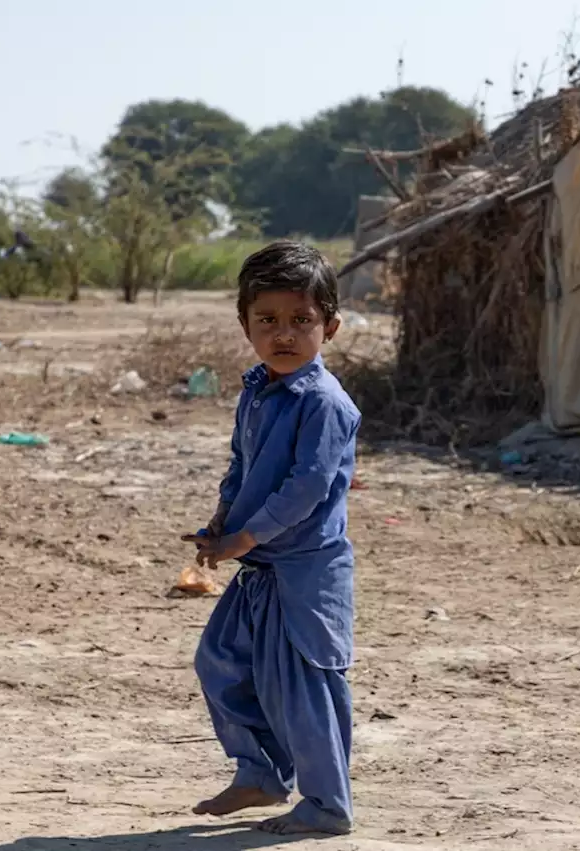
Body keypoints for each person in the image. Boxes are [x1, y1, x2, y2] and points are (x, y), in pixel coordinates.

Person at [182, 239, 360, 836]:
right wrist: (221, 522)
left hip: (304, 569)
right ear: (245, 325)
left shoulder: (325, 403)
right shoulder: (258, 390)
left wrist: (246, 538)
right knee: (220, 661)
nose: (284, 334)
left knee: (301, 686)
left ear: (329, 327)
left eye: (301, 321)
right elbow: (242, 463)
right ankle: (258, 772)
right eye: (268, 320)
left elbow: (307, 487)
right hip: (260, 562)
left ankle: (327, 805)